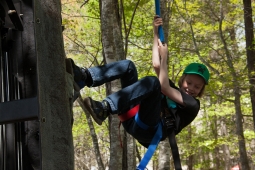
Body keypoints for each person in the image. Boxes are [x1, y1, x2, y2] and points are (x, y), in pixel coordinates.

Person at [69, 16, 210, 148]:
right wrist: (155, 33)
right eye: (189, 83)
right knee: (128, 66)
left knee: (154, 83)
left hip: (149, 130)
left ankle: (105, 108)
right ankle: (84, 77)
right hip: (134, 118)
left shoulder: (192, 104)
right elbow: (156, 64)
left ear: (201, 90)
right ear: (182, 80)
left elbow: (163, 87)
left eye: (197, 87)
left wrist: (165, 58)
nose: (191, 88)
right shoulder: (175, 89)